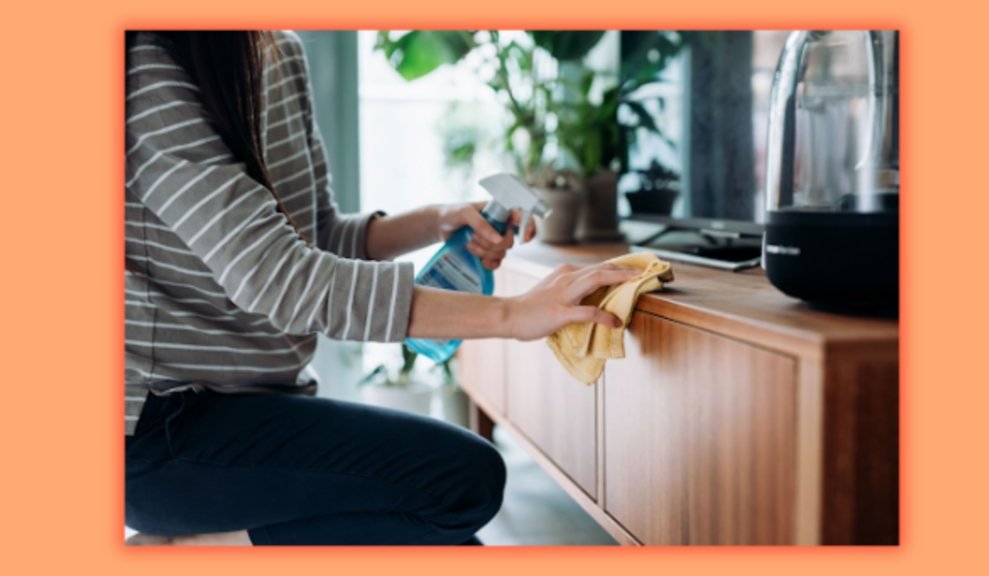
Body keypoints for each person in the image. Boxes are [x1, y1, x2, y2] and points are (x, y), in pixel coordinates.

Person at [124, 30, 638, 546]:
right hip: (162, 429)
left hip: (254, 409)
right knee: (464, 480)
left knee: (453, 538)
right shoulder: (152, 67)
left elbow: (315, 234)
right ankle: (206, 546)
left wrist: (434, 220)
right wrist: (512, 316)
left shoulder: (278, 49)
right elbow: (278, 277)